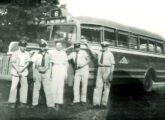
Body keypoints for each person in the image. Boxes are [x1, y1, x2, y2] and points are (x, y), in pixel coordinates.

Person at [83, 41, 115, 109]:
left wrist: (111, 74)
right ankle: (96, 104)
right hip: (100, 69)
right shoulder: (99, 52)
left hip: (107, 69)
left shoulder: (110, 54)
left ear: (107, 47)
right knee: (98, 86)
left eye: (105, 46)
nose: (103, 47)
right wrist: (87, 45)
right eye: (102, 46)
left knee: (106, 87)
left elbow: (113, 64)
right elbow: (92, 51)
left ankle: (104, 104)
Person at [31, 39, 54, 110]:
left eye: (43, 46)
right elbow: (33, 64)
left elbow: (51, 64)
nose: (42, 48)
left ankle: (50, 105)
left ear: (46, 47)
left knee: (47, 89)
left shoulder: (49, 54)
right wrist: (34, 73)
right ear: (39, 47)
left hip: (46, 72)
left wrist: (50, 74)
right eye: (41, 46)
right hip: (38, 71)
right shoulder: (36, 53)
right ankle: (34, 104)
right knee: (36, 88)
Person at [8, 39, 30, 108]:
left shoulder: (27, 53)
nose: (24, 48)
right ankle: (12, 102)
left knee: (24, 87)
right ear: (19, 46)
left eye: (25, 46)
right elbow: (13, 62)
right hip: (16, 70)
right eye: (22, 46)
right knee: (14, 86)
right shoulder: (15, 53)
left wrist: (22, 70)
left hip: (23, 70)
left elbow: (27, 63)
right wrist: (18, 70)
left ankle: (22, 102)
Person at [50, 41, 68, 111]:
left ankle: (58, 103)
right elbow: (51, 63)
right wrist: (51, 72)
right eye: (57, 45)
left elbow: (66, 63)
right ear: (55, 46)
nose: (59, 46)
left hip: (62, 68)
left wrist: (66, 73)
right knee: (53, 86)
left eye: (60, 45)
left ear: (61, 46)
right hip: (55, 68)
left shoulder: (64, 53)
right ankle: (52, 103)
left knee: (60, 86)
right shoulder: (52, 52)